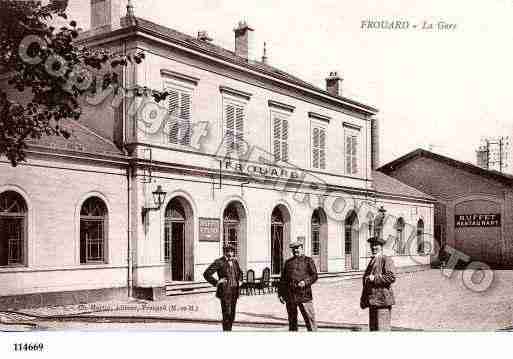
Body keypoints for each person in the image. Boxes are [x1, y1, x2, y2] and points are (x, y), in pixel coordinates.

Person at [278, 240, 318, 331]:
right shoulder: (288, 262)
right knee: (292, 322)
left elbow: (314, 276)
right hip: (290, 296)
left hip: (304, 296)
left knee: (310, 320)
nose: (295, 250)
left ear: (302, 248)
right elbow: (282, 280)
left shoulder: (308, 260)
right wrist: (280, 294)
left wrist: (305, 282)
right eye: (293, 249)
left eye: (297, 248)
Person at [360, 236, 396, 331]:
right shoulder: (373, 260)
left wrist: (374, 278)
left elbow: (391, 277)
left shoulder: (386, 259)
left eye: (376, 245)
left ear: (381, 247)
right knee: (374, 329)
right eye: (372, 245)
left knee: (382, 329)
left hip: (382, 302)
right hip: (373, 302)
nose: (373, 247)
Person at [203, 244, 242, 331]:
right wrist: (217, 282)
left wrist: (240, 280)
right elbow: (206, 273)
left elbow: (240, 273)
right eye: (228, 251)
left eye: (232, 251)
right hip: (225, 292)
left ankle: (229, 330)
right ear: (225, 252)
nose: (230, 253)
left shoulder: (235, 262)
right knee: (226, 315)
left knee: (232, 315)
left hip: (234, 291)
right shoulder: (219, 262)